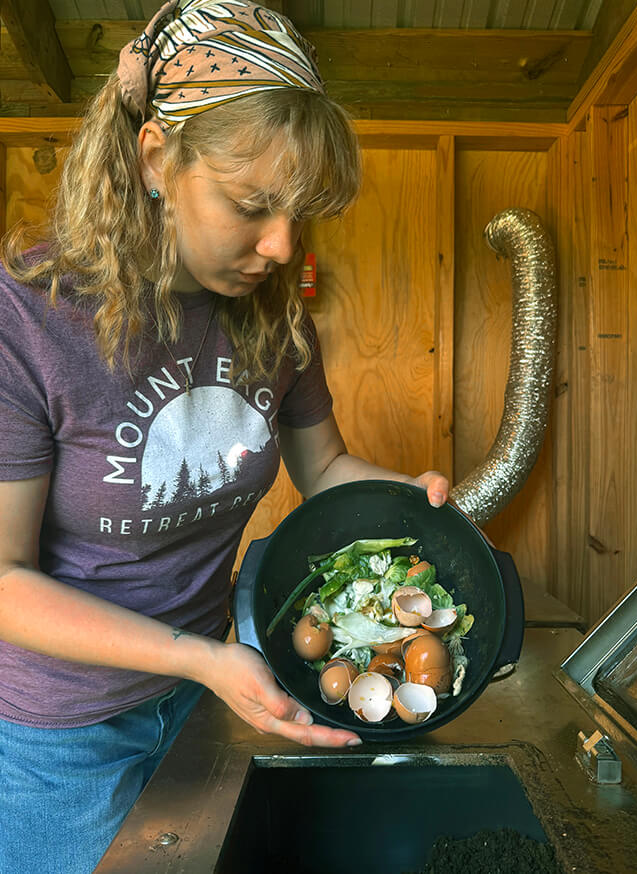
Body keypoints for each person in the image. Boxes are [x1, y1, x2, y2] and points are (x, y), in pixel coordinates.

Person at [0, 2, 449, 871]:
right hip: (62, 742)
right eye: (252, 206)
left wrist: (411, 499)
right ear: (158, 159)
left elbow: (325, 469)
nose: (282, 247)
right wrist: (201, 657)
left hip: (210, 693)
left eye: (301, 213)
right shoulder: (29, 320)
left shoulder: (273, 318)